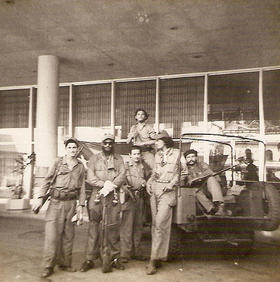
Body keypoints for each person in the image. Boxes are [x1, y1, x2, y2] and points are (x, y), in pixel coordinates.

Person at [32, 137, 86, 279]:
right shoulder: (57, 162)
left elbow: (82, 188)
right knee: (52, 236)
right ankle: (48, 266)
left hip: (71, 204)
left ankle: (65, 263)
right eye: (70, 148)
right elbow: (47, 181)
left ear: (78, 149)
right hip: (56, 203)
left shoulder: (80, 166)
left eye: (74, 148)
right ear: (66, 149)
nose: (72, 150)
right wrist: (39, 198)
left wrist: (81, 206)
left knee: (68, 236)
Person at [80, 133, 126, 273]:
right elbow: (90, 177)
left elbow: (122, 175)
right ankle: (90, 259)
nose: (108, 145)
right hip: (97, 196)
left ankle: (115, 258)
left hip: (113, 196)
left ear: (113, 144)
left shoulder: (119, 159)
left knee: (113, 227)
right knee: (94, 227)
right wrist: (103, 185)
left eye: (110, 143)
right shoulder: (94, 158)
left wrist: (111, 186)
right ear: (102, 144)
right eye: (105, 143)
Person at [145, 131, 180, 275]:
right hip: (155, 189)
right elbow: (155, 172)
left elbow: (182, 173)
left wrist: (172, 184)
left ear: (164, 140)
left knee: (160, 224)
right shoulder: (157, 155)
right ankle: (159, 256)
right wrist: (149, 182)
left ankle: (152, 260)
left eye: (157, 140)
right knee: (155, 225)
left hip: (168, 191)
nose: (155, 143)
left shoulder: (178, 153)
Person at [120, 145, 151, 263]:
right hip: (128, 198)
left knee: (138, 226)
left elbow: (151, 177)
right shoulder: (125, 167)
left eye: (138, 154)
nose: (137, 156)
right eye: (134, 154)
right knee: (127, 227)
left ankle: (137, 252)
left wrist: (145, 182)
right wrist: (125, 187)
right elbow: (119, 180)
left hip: (140, 198)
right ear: (130, 155)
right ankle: (125, 254)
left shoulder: (144, 167)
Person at [181, 149, 225, 216]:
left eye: (193, 156)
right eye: (188, 157)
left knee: (211, 178)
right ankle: (212, 209)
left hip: (206, 188)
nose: (191, 159)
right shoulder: (183, 168)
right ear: (186, 159)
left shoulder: (201, 164)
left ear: (196, 157)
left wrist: (197, 178)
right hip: (194, 190)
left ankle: (220, 205)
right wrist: (184, 177)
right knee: (195, 190)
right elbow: (182, 183)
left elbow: (209, 172)